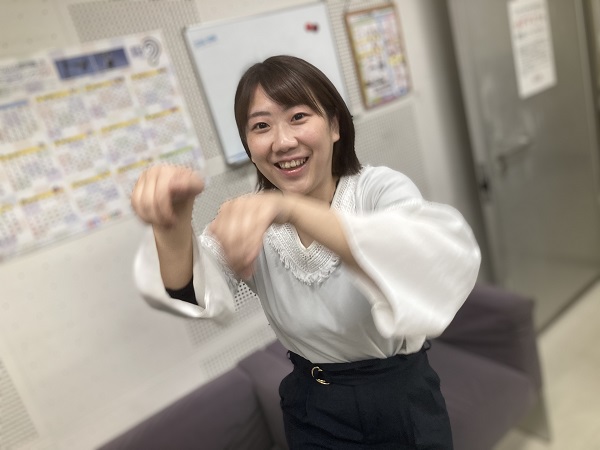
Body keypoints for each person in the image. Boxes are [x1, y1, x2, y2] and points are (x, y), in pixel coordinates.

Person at [131, 55, 481, 449]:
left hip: (399, 397)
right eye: (261, 126)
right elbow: (193, 295)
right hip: (313, 407)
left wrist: (290, 208)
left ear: (334, 126)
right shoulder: (250, 218)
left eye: (298, 117)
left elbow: (427, 255)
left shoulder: (375, 190)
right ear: (249, 147)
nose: (282, 142)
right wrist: (171, 226)